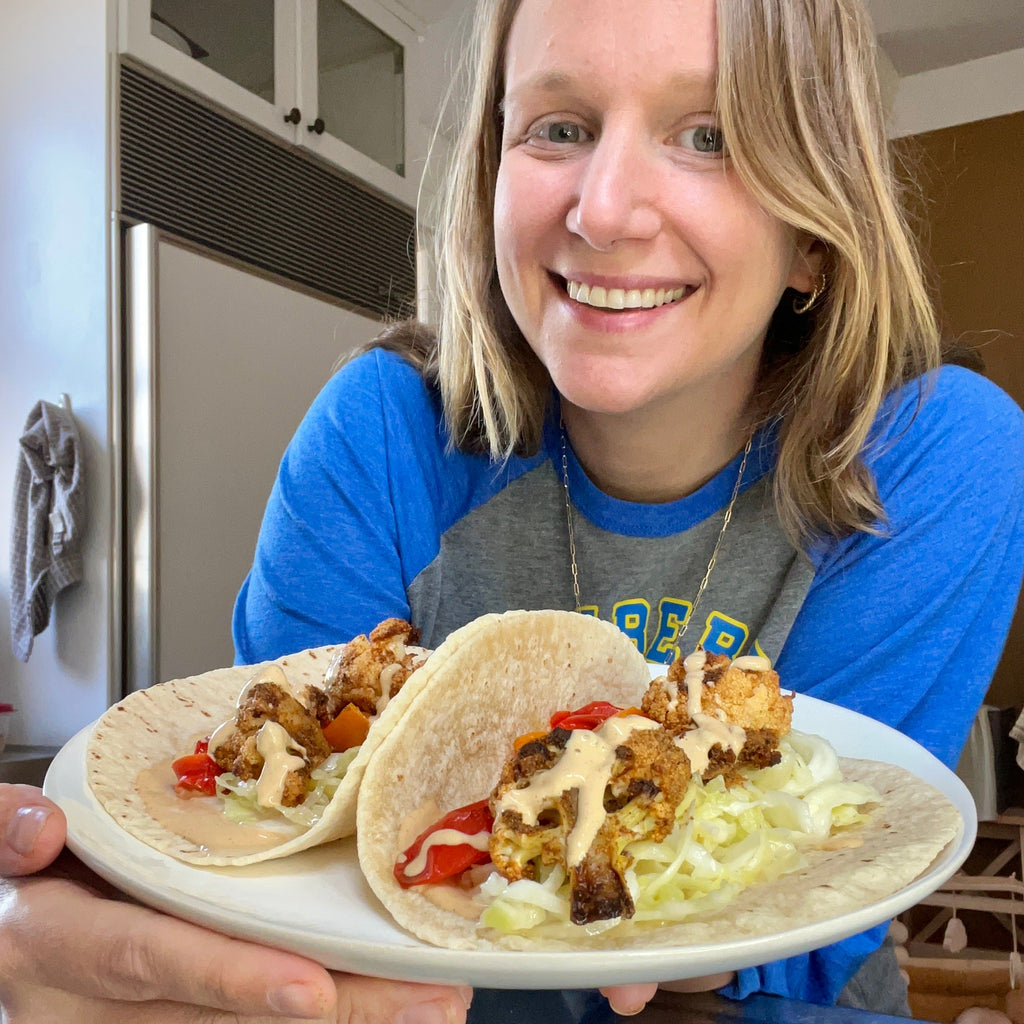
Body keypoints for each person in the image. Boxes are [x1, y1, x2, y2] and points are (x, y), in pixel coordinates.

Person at [3, 0, 1024, 1020]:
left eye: (708, 136)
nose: (604, 210)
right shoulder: (382, 433)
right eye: (559, 128)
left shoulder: (932, 459)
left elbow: (821, 888)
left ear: (813, 233)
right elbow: (283, 875)